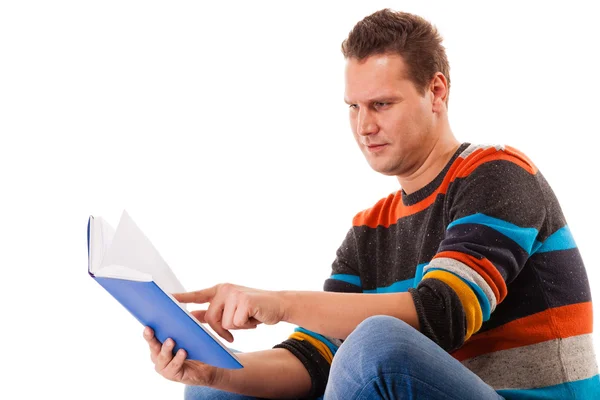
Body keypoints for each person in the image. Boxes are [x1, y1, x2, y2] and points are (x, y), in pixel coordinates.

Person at [143, 8, 599, 399]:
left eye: (381, 104)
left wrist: (279, 303)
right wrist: (207, 368)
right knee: (215, 385)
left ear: (436, 92)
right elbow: (316, 358)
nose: (364, 126)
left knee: (376, 345)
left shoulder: (499, 174)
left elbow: (444, 312)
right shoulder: (369, 229)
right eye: (353, 107)